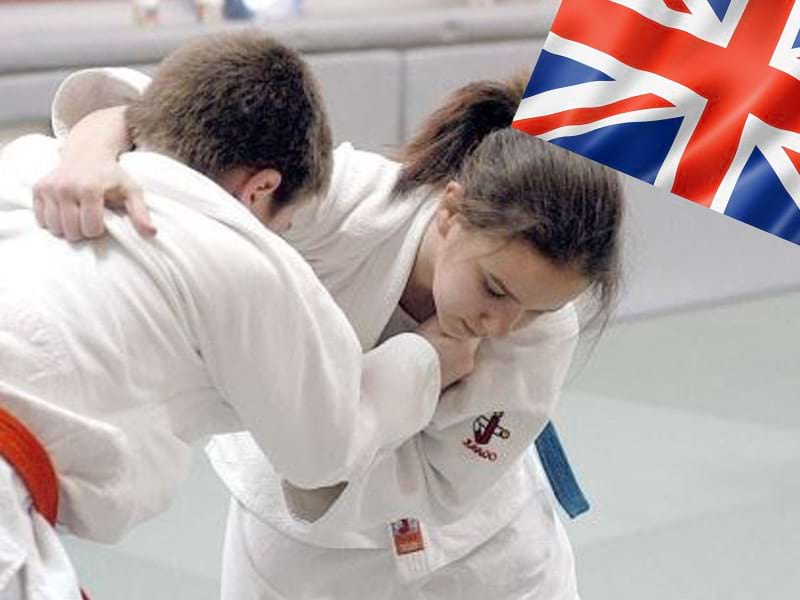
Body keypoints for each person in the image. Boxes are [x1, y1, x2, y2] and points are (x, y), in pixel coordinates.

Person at [36, 66, 624, 599]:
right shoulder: (345, 202)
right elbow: (162, 118)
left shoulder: (543, 332)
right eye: (494, 289)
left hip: (485, 552)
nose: (503, 325)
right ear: (450, 211)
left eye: (535, 310)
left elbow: (440, 486)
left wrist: (352, 420)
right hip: (298, 547)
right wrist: (90, 154)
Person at [0, 32, 478, 600]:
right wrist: (425, 357)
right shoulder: (243, 258)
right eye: (283, 220)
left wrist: (89, 145)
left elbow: (121, 107)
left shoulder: (35, 168)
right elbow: (322, 451)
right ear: (261, 189)